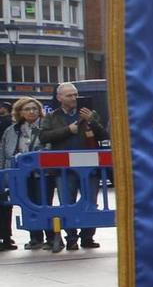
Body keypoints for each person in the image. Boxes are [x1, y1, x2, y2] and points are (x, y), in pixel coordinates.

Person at [38, 81, 108, 250]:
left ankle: (87, 237)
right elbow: (44, 136)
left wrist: (92, 121)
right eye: (69, 95)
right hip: (64, 169)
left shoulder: (90, 113)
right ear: (59, 97)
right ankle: (71, 238)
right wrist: (68, 130)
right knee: (67, 203)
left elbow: (103, 135)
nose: (74, 98)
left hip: (90, 167)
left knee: (90, 202)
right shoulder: (52, 117)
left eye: (75, 94)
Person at [3, 99, 46, 251]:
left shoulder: (45, 127)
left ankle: (51, 236)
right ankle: (34, 237)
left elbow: (49, 147)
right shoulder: (12, 130)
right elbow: (5, 153)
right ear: (20, 112)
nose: (31, 112)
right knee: (27, 206)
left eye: (34, 108)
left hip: (41, 174)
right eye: (27, 109)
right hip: (20, 175)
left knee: (43, 204)